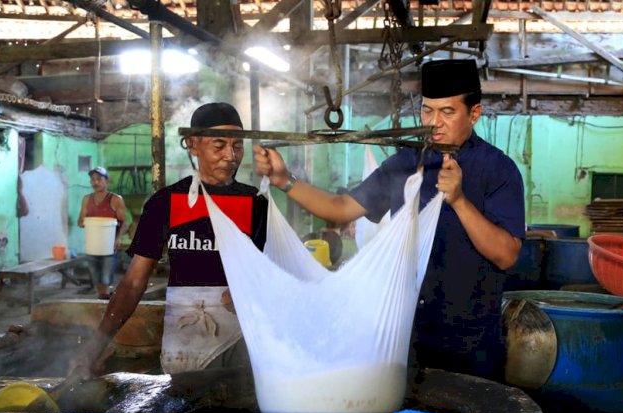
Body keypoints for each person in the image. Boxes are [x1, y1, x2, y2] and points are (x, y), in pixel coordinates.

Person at [255, 59, 525, 382]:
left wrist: (459, 201)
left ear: (475, 113)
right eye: (427, 111)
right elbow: (340, 208)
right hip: (406, 336)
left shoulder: (498, 170)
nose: (434, 123)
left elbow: (507, 254)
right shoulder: (407, 162)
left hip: (473, 345)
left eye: (447, 112)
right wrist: (285, 179)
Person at [69, 103, 267, 380]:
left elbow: (269, 274)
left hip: (243, 341)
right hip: (186, 344)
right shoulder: (166, 204)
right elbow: (133, 283)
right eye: (219, 145)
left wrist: (250, 293)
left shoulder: (255, 203)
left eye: (237, 146)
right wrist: (94, 348)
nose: (230, 156)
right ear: (193, 145)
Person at [78, 166, 129, 299]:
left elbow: (124, 222)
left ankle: (105, 299)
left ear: (107, 181)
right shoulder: (87, 200)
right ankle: (104, 298)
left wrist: (118, 238)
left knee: (106, 278)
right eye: (92, 180)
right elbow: (80, 222)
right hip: (93, 244)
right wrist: (86, 222)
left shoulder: (115, 199)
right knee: (96, 278)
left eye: (99, 179)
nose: (95, 182)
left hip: (109, 245)